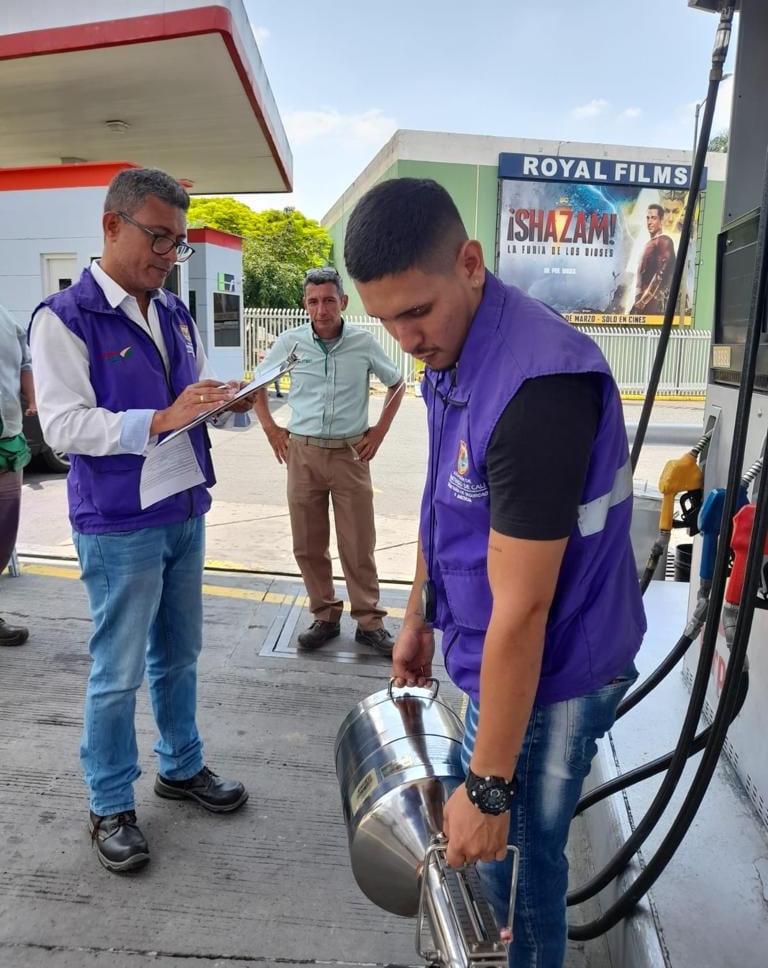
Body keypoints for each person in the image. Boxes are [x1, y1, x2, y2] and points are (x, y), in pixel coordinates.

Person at [343, 178, 646, 968]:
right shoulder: (454, 347)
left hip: (554, 666)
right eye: (385, 320)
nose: (405, 338)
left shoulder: (537, 389)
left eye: (416, 311)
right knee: (495, 854)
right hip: (505, 656)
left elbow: (525, 610)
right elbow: (446, 505)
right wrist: (418, 615)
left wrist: (486, 791)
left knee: (521, 868)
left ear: (470, 263)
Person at [29, 167, 252, 874]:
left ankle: (180, 766)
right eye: (159, 237)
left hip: (183, 507)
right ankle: (108, 803)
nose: (168, 253)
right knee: (117, 671)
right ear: (111, 225)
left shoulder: (174, 310)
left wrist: (218, 401)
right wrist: (158, 419)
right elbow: (63, 426)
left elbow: (183, 400)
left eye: (178, 243)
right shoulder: (63, 318)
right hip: (120, 522)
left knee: (179, 655)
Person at [254, 266, 404, 657]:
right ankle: (324, 615)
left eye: (329, 301)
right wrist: (271, 428)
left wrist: (379, 431)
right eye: (314, 301)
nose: (322, 310)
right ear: (305, 304)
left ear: (344, 302)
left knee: (358, 543)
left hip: (350, 454)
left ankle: (369, 623)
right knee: (308, 543)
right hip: (301, 454)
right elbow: (257, 384)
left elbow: (397, 382)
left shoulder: (363, 342)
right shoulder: (291, 342)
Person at [0, 302, 36, 646]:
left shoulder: (7, 318)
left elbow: (25, 363)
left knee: (3, 533)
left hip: (7, 441)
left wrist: (33, 400)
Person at [629, 203, 676, 315]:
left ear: (661, 220)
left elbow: (660, 274)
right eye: (648, 218)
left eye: (654, 218)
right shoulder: (649, 244)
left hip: (651, 303)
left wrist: (643, 302)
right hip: (641, 302)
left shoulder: (664, 241)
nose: (649, 222)